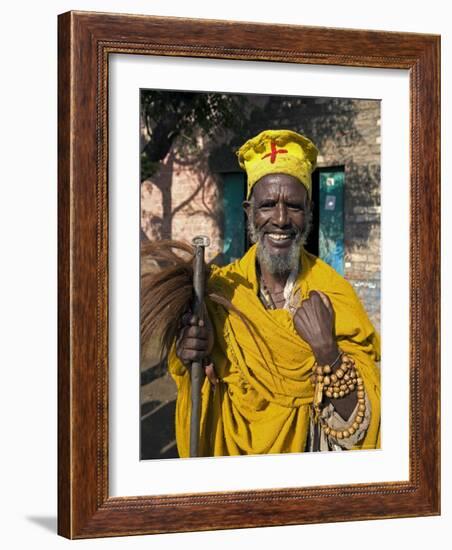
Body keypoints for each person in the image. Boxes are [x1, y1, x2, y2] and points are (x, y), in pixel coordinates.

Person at [168, 129, 381, 457]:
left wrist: (327, 352)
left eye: (293, 206)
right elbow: (195, 386)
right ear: (249, 211)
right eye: (268, 205)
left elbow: (366, 429)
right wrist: (192, 354)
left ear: (309, 212)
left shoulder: (334, 294)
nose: (280, 219)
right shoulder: (218, 294)